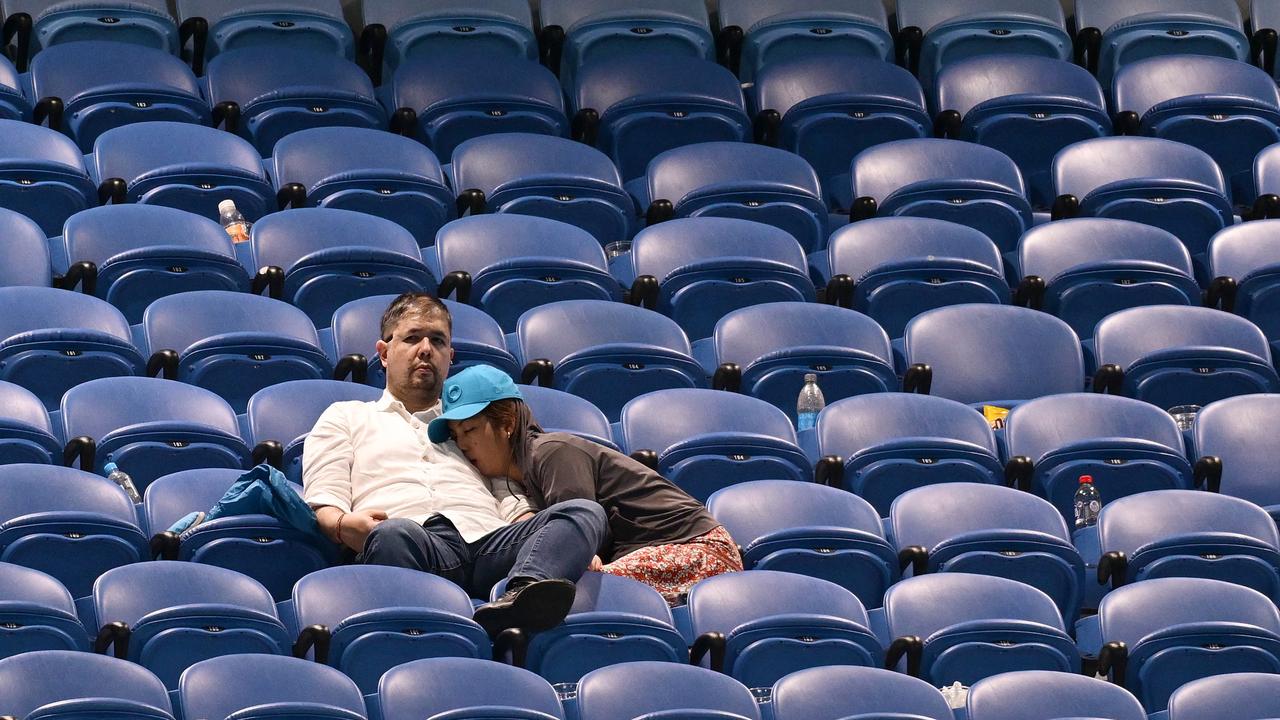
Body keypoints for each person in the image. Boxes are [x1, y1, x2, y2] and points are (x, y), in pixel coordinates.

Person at [302, 293, 608, 637]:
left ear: (450, 357)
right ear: (384, 353)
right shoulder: (346, 416)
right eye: (412, 337)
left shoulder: (469, 420)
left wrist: (558, 542)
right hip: (413, 541)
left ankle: (520, 596)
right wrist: (344, 524)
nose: (425, 349)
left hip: (491, 543)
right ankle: (426, 633)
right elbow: (325, 499)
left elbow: (506, 492)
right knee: (392, 533)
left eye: (438, 340)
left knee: (583, 512)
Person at [428, 364, 742, 604]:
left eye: (469, 430)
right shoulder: (524, 473)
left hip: (700, 551)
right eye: (456, 436)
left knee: (573, 579)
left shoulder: (551, 452)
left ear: (508, 422)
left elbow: (581, 546)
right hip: (661, 552)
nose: (463, 445)